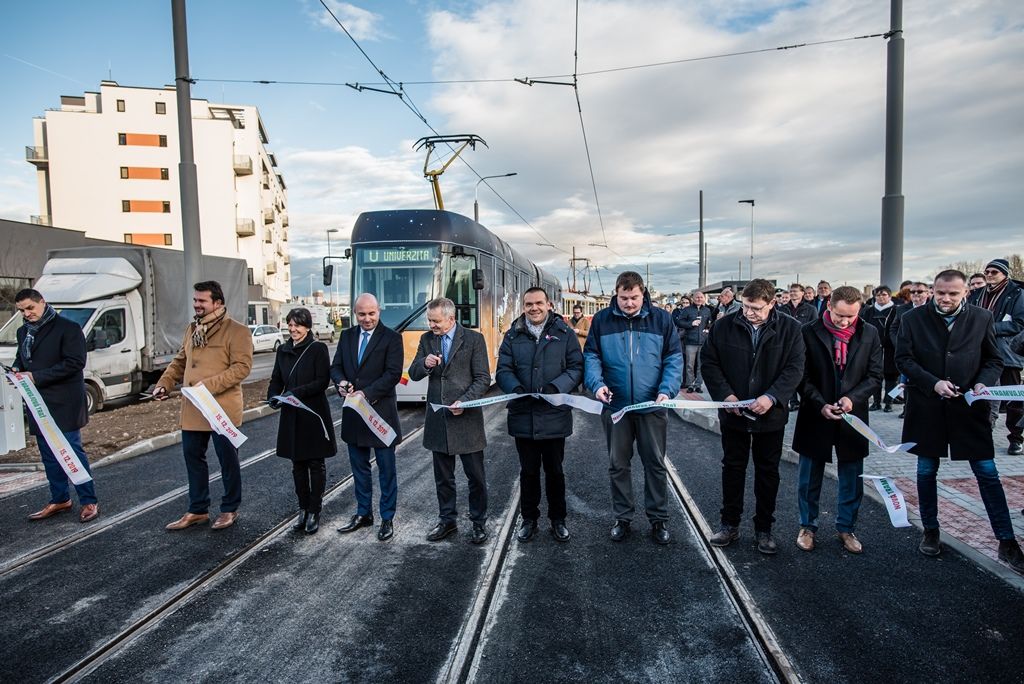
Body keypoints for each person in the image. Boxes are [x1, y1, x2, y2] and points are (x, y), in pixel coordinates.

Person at [895, 270, 1024, 572]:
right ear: (933, 290)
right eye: (941, 292)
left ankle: (1006, 542)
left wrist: (983, 383)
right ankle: (930, 530)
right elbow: (904, 360)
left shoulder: (981, 318)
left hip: (969, 408)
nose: (946, 298)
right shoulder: (913, 319)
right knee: (926, 471)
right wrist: (932, 383)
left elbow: (993, 359)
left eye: (953, 293)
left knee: (987, 473)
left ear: (965, 292)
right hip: (928, 408)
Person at [701, 278, 805, 554]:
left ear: (772, 303)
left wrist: (771, 397)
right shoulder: (724, 326)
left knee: (767, 472)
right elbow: (709, 363)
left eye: (757, 308)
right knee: (732, 468)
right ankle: (729, 524)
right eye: (746, 306)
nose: (749, 312)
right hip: (734, 413)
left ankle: (764, 529)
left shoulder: (791, 329)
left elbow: (795, 368)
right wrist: (726, 396)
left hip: (770, 416)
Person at [584, 271, 682, 545]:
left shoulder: (661, 319)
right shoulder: (602, 320)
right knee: (618, 464)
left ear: (643, 294)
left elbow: (674, 358)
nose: (628, 303)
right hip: (616, 406)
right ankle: (623, 518)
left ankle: (658, 519)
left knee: (655, 464)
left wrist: (666, 390)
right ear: (616, 294)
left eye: (634, 297)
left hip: (652, 406)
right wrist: (596, 384)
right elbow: (591, 356)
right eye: (623, 297)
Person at [155, 281, 253, 531]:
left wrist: (207, 387)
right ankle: (197, 509)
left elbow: (241, 368)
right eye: (195, 300)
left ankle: (229, 509)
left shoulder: (237, 331)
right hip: (193, 409)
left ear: (217, 303)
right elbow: (180, 361)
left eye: (202, 301)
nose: (196, 305)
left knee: (227, 461)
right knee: (193, 458)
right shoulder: (193, 329)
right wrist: (165, 383)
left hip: (221, 408)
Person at [792, 286, 882, 553]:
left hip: (852, 415)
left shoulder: (870, 333)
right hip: (815, 412)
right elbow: (801, 374)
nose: (845, 321)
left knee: (852, 475)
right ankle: (807, 526)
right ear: (828, 306)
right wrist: (819, 403)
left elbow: (875, 376)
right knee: (809, 476)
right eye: (840, 315)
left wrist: (853, 398)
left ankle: (846, 528)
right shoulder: (808, 331)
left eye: (851, 317)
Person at [496, 287, 584, 543]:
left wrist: (556, 388)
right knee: (528, 472)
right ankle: (529, 519)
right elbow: (503, 369)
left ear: (549, 305)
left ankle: (558, 520)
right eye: (528, 304)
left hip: (554, 414)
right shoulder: (512, 335)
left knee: (555, 471)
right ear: (523, 307)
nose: (533, 308)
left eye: (538, 303)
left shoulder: (564, 334)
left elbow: (576, 367)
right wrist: (517, 388)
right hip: (523, 414)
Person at [409, 297, 492, 544]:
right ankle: (447, 521)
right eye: (430, 320)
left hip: (466, 420)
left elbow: (482, 378)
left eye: (436, 321)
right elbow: (413, 373)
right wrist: (424, 363)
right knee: (443, 478)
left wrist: (464, 402)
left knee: (475, 477)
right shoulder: (426, 340)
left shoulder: (474, 339)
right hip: (439, 419)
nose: (432, 325)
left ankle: (478, 523)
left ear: (451, 319)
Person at [12, 289, 99, 523]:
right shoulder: (23, 332)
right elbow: (23, 360)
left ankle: (88, 500)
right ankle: (60, 499)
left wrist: (36, 377)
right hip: (38, 404)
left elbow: (75, 363)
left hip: (65, 403)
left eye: (30, 308)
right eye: (22, 310)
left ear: (43, 303)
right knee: (49, 456)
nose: (26, 313)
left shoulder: (68, 328)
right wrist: (16, 371)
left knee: (72, 452)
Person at [330, 293, 404, 541]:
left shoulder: (392, 338)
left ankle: (387, 517)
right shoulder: (347, 336)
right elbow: (336, 366)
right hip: (354, 415)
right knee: (359, 469)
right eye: (362, 314)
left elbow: (393, 374)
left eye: (371, 313)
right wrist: (340, 382)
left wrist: (367, 393)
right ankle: (364, 513)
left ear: (379, 311)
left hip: (380, 415)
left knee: (386, 470)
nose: (367, 319)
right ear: (355, 313)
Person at [268, 307, 336, 535]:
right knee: (297, 465)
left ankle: (315, 510)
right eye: (290, 324)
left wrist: (295, 393)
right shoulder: (284, 351)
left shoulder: (318, 348)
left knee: (315, 464)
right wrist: (273, 396)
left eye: (297, 324)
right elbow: (276, 378)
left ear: (308, 326)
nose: (293, 329)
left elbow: (321, 381)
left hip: (313, 414)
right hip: (292, 414)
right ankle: (303, 508)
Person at [968, 258, 1024, 455]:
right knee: (981, 394)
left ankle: (1016, 438)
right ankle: (981, 433)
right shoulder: (975, 294)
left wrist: (987, 326)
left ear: (1005, 274)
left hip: (1007, 352)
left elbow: (1018, 323)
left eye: (994, 272)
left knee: (1013, 398)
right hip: (979, 352)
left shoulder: (1017, 293)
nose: (989, 275)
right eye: (987, 272)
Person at [889, 282, 931, 418]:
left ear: (928, 293)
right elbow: (893, 328)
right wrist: (900, 345)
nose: (916, 295)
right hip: (908, 353)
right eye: (913, 292)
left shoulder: (934, 309)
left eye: (920, 291)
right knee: (906, 381)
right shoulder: (901, 309)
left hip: (928, 353)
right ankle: (907, 407)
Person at [859, 285, 899, 412]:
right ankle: (876, 402)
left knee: (891, 377)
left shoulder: (896, 310)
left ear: (889, 296)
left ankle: (889, 402)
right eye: (878, 295)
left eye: (884, 295)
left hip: (890, 348)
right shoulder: (868, 311)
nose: (881, 297)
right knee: (875, 375)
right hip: (873, 347)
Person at [672, 290, 711, 393]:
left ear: (704, 298)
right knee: (689, 365)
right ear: (693, 299)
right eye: (697, 297)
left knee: (700, 365)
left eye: (701, 297)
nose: (699, 299)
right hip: (690, 341)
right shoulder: (687, 310)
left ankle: (698, 385)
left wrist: (707, 328)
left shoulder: (707, 310)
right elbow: (680, 322)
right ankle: (690, 385)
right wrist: (691, 323)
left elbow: (709, 322)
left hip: (703, 341)